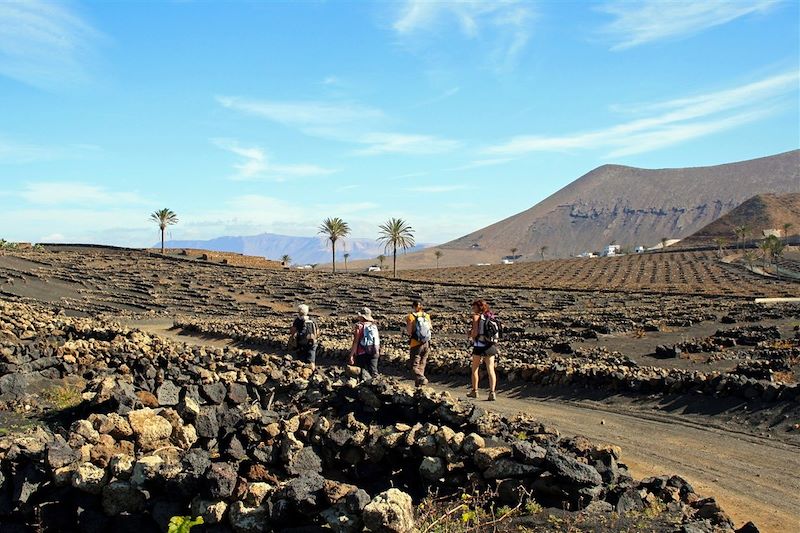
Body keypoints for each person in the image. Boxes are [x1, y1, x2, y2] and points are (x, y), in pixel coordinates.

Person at [468, 299, 497, 401]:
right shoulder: (490, 316)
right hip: (490, 345)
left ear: (479, 307)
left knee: (475, 368)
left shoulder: (476, 317)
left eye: (474, 307)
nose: (473, 309)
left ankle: (474, 391)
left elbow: (475, 333)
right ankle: (492, 392)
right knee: (491, 370)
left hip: (479, 345)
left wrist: (470, 334)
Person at [349, 306, 380, 379]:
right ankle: (378, 386)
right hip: (373, 351)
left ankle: (361, 388)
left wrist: (351, 355)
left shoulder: (359, 326)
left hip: (362, 352)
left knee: (359, 372)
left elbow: (356, 342)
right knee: (373, 372)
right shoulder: (373, 326)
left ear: (362, 317)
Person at [406, 300, 432, 387]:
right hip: (426, 342)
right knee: (422, 364)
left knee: (413, 366)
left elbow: (409, 332)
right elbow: (430, 328)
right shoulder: (426, 316)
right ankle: (419, 386)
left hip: (416, 343)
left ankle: (422, 379)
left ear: (413, 306)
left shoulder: (411, 316)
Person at [289, 304, 318, 371]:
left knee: (301, 362)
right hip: (312, 342)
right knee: (311, 361)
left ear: (299, 312)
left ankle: (302, 375)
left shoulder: (298, 320)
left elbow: (292, 331)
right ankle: (313, 374)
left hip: (302, 343)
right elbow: (317, 331)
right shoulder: (312, 319)